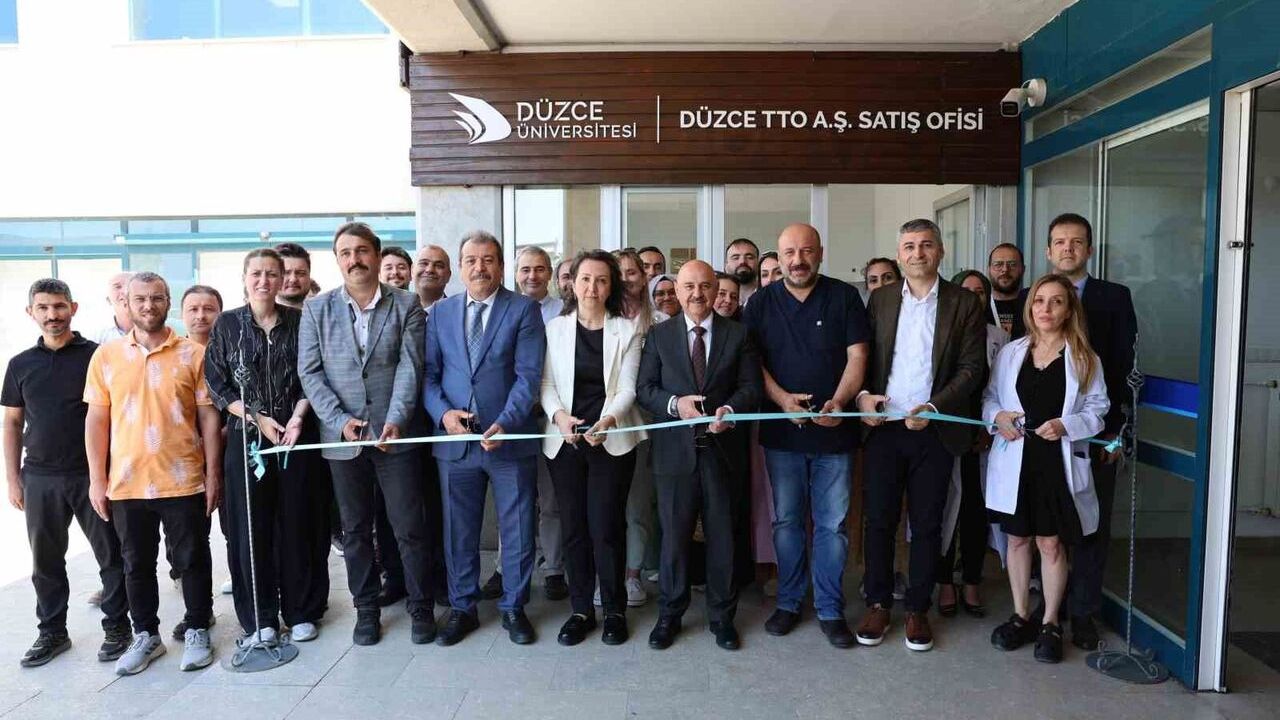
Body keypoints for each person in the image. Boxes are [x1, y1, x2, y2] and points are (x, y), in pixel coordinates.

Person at [297, 222, 435, 646]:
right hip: (343, 440)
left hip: (395, 435)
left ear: (376, 255)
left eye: (361, 251)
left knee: (409, 526)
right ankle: (367, 610)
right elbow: (310, 373)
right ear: (337, 260)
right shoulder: (316, 309)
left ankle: (421, 607)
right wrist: (340, 420)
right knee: (355, 531)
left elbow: (411, 366)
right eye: (345, 252)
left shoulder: (406, 303)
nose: (354, 259)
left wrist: (396, 418)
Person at [854, 219, 986, 653]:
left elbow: (972, 368)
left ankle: (917, 608)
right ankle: (877, 603)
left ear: (940, 252)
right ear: (899, 254)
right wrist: (863, 396)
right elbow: (864, 357)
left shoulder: (964, 303)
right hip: (885, 429)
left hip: (935, 429)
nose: (917, 253)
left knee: (928, 524)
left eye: (926, 245)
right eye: (909, 246)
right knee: (879, 521)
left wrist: (934, 406)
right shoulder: (881, 299)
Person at [84, 272, 222, 675]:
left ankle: (198, 628)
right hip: (126, 482)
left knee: (192, 558)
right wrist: (97, 479)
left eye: (157, 298)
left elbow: (209, 419)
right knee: (135, 564)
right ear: (126, 303)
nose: (148, 306)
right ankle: (145, 635)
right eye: (140, 299)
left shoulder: (193, 354)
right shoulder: (106, 356)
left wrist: (213, 474)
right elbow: (96, 420)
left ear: (168, 302)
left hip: (183, 478)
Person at [742, 223, 870, 649]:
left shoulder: (844, 297)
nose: (798, 260)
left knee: (833, 525)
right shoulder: (761, 302)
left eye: (806, 251)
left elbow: (858, 355)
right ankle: (790, 601)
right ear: (778, 258)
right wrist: (782, 400)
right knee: (787, 522)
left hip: (835, 433)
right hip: (783, 434)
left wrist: (839, 401)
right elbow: (753, 362)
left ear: (820, 252)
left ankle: (831, 609)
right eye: (789, 253)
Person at [424, 230, 546, 646]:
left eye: (488, 259)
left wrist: (506, 422)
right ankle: (463, 607)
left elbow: (528, 377)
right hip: (455, 443)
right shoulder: (441, 313)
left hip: (509, 439)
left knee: (517, 527)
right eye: (472, 260)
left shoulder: (523, 310)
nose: (480, 267)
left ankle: (514, 607)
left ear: (501, 266)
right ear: (460, 267)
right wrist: (444, 415)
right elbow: (429, 376)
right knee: (459, 531)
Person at [205, 248, 330, 645]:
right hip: (248, 440)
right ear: (245, 278)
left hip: (296, 436)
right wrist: (257, 418)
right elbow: (216, 383)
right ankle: (260, 618)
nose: (264, 281)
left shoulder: (301, 321)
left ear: (282, 279)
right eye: (256, 273)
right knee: (250, 528)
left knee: (298, 523)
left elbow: (313, 375)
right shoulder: (227, 324)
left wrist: (297, 418)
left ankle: (301, 610)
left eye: (272, 274)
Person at [4, 279, 130, 668]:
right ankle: (52, 632)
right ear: (31, 312)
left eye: (59, 306)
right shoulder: (20, 364)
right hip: (39, 477)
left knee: (111, 555)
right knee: (45, 562)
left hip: (93, 474)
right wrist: (12, 479)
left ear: (73, 308)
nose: (52, 314)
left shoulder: (98, 356)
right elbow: (12, 423)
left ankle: (118, 628)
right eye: (43, 308)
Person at [985, 273, 1109, 663]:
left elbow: (1098, 410)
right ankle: (1021, 615)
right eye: (1039, 301)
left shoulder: (1084, 357)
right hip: (1017, 459)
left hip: (1056, 461)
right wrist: (998, 417)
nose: (1046, 309)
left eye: (1056, 301)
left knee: (1051, 544)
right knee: (1017, 540)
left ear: (1069, 309)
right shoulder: (1011, 353)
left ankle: (1051, 622)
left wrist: (1066, 425)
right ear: (1030, 307)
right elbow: (990, 398)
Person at [637, 260, 760, 651]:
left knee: (723, 537)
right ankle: (670, 615)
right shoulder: (659, 335)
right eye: (688, 286)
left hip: (723, 452)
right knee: (673, 538)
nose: (697, 294)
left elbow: (751, 387)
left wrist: (730, 410)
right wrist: (676, 404)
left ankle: (722, 617)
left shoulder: (738, 334)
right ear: (677, 290)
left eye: (705, 286)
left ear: (716, 290)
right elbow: (645, 389)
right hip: (674, 456)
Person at [1040, 213, 1136, 652]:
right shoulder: (1034, 296)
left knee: (1090, 526)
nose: (1068, 249)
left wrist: (1117, 433)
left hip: (1096, 434)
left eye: (1077, 242)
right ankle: (1050, 610)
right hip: (1045, 437)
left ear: (1090, 249)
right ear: (1048, 250)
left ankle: (1083, 613)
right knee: (1047, 527)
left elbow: (1124, 370)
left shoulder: (1114, 297)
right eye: (1060, 242)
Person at [541, 250, 645, 645]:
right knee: (574, 528)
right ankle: (581, 609)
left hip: (611, 439)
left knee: (606, 527)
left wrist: (608, 420)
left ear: (611, 285)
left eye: (602, 280)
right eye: (585, 279)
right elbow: (546, 384)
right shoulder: (554, 329)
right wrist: (559, 418)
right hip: (565, 441)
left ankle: (615, 610)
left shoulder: (627, 330)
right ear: (573, 283)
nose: (592, 287)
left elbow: (628, 388)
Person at [481, 245, 567, 602]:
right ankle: (505, 569)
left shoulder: (564, 311)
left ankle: (554, 569)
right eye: (525, 269)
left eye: (540, 268)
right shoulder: (502, 309)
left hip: (550, 420)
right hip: (512, 422)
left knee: (551, 501)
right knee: (512, 502)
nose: (532, 276)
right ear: (514, 274)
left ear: (550, 273)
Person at [936, 270, 1010, 618]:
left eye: (979, 292)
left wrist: (989, 428)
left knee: (975, 512)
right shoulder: (942, 332)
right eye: (965, 291)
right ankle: (944, 581)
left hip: (984, 438)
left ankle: (971, 581)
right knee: (944, 510)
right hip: (947, 433)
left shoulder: (1000, 338)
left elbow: (1003, 389)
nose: (972, 298)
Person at [615, 249, 663, 605]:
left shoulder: (660, 322)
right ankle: (607, 575)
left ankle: (633, 576)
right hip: (608, 424)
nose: (625, 279)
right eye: (618, 273)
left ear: (644, 277)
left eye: (632, 272)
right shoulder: (599, 321)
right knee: (605, 505)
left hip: (649, 425)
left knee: (639, 504)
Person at [988, 243, 1026, 336]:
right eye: (998, 264)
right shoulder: (980, 306)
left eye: (1012, 264)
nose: (1005, 269)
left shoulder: (1034, 305)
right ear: (989, 269)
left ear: (1023, 269)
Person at [93, 271, 135, 344]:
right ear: (108, 300)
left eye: (130, 286)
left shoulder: (154, 329)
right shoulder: (97, 335)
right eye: (118, 287)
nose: (125, 291)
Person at [275, 242, 313, 310]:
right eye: (285, 273)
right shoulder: (256, 314)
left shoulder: (325, 313)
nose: (293, 279)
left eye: (300, 273)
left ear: (309, 276)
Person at [414, 244, 451, 311]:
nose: (429, 270)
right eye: (424, 263)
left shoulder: (459, 314)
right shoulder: (397, 310)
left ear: (448, 275)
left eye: (438, 266)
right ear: (412, 270)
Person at [725, 237, 760, 305]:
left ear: (758, 264)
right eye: (736, 258)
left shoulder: (770, 296)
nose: (742, 261)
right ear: (726, 266)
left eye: (749, 257)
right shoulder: (715, 299)